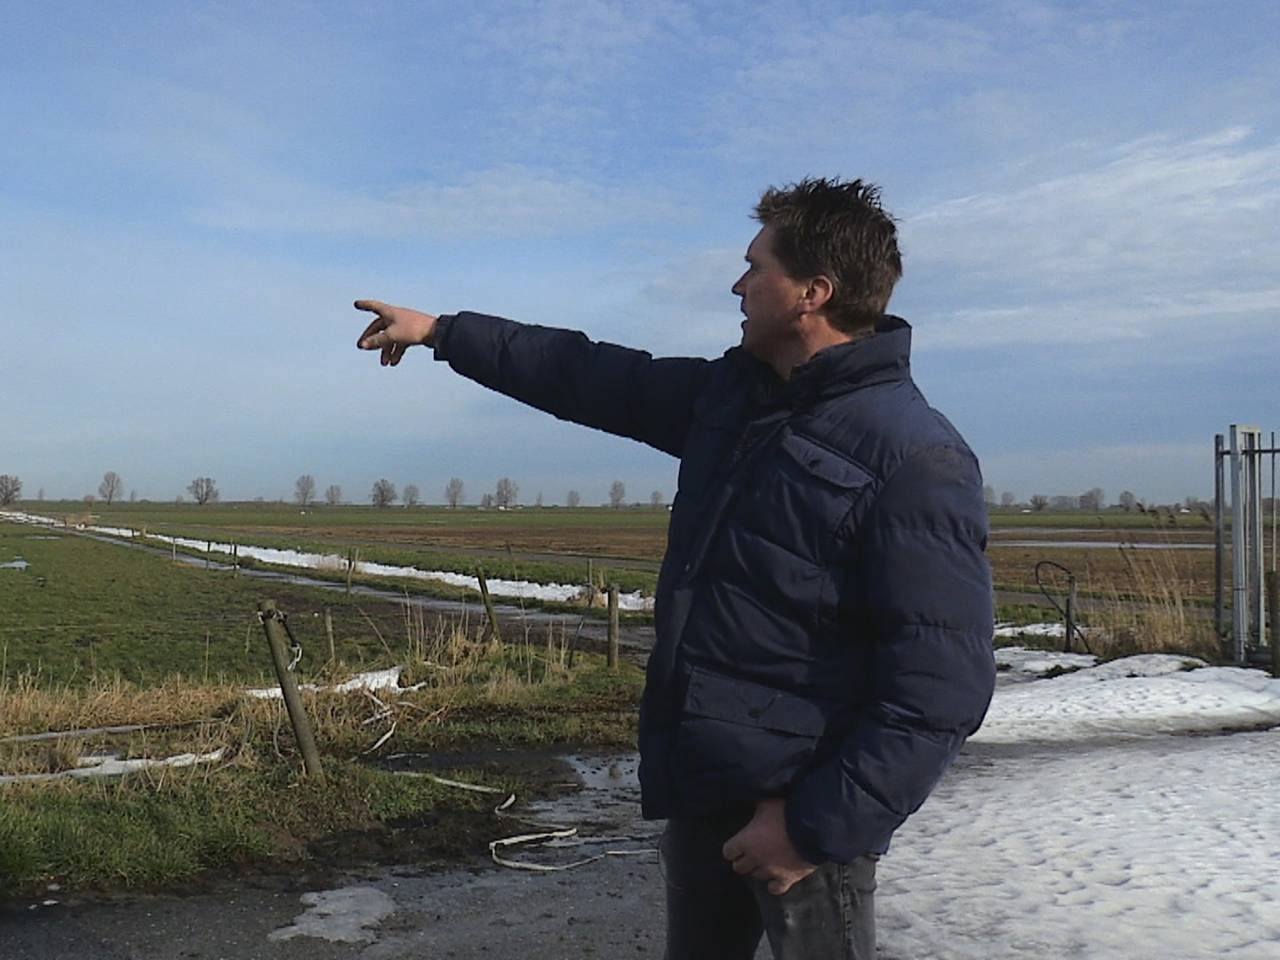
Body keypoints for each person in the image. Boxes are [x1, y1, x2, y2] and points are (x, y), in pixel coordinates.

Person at [355, 177, 995, 959]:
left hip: (801, 816)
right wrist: (442, 331)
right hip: (705, 790)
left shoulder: (912, 455)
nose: (737, 283)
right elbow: (584, 373)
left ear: (812, 294)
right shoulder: (733, 401)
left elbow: (941, 689)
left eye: (755, 266)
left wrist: (808, 828)